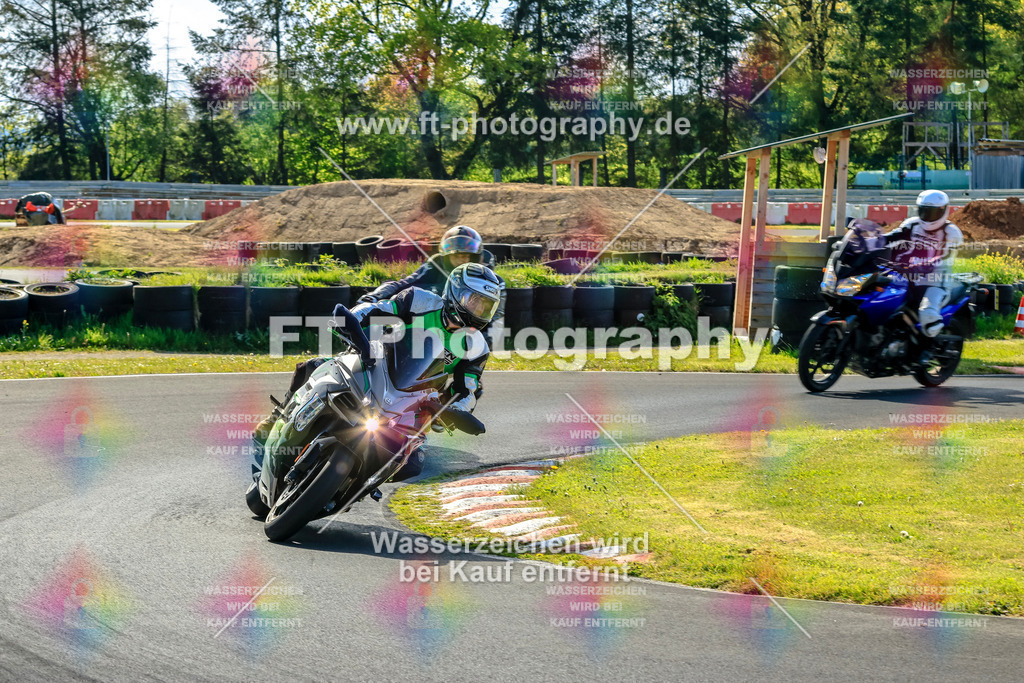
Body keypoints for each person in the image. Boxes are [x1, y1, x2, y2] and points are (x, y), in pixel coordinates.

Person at [253, 263, 502, 481]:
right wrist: (352, 321)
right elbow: (380, 309)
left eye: (486, 307)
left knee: (411, 465)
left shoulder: (477, 347)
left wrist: (455, 411)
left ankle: (352, 484)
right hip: (379, 364)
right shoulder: (420, 300)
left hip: (415, 403)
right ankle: (277, 418)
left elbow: (468, 389)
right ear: (456, 293)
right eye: (475, 301)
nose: (479, 311)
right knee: (311, 368)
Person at [359, 225, 506, 348]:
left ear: (475, 257)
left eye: (466, 256)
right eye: (456, 256)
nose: (461, 260)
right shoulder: (435, 265)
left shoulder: (492, 283)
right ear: (446, 257)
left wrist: (478, 344)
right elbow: (403, 284)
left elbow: (496, 319)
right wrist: (373, 297)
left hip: (462, 338)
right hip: (422, 328)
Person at [883, 189, 964, 343]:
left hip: (935, 280)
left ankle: (926, 349)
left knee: (927, 312)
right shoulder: (912, 224)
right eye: (923, 211)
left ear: (943, 210)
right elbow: (892, 237)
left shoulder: (951, 232)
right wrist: (869, 242)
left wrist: (922, 266)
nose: (927, 216)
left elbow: (945, 258)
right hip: (905, 275)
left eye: (932, 212)